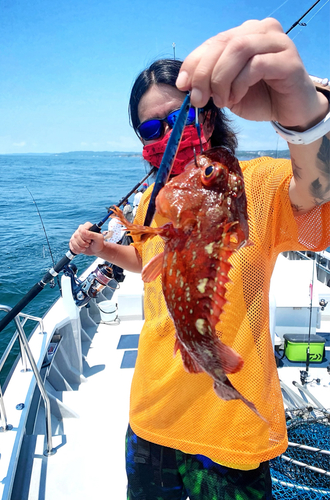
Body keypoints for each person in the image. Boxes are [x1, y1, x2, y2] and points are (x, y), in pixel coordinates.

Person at [70, 18, 330, 500]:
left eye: (179, 118)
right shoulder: (153, 198)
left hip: (230, 430)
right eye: (152, 127)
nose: (166, 134)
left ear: (207, 117)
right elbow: (151, 262)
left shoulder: (250, 183)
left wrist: (305, 111)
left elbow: (316, 187)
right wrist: (105, 249)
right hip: (150, 418)